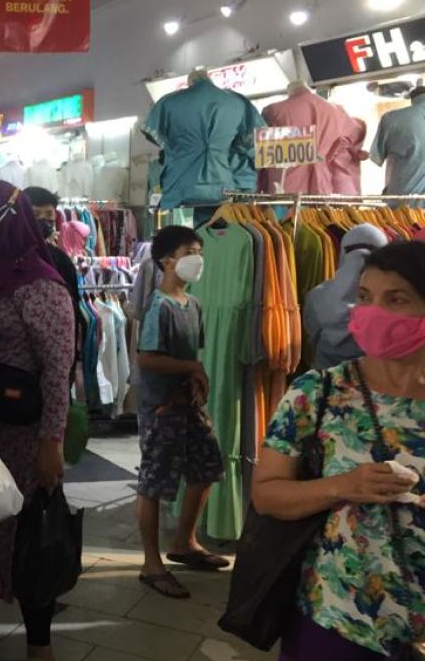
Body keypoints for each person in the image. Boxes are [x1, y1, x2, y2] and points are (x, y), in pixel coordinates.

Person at [254, 241, 425, 660]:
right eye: (365, 297)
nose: (371, 312)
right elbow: (266, 494)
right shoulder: (319, 391)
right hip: (335, 615)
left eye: (396, 299)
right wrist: (345, 485)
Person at [0, 179, 75, 661]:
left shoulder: (38, 282)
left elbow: (57, 367)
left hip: (24, 436)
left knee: (29, 537)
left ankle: (38, 644)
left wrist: (52, 441)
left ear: (0, 216)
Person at [134, 225, 227, 600]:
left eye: (200, 250)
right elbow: (147, 358)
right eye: (190, 250)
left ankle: (184, 541)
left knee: (207, 467)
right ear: (167, 260)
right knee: (154, 483)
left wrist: (194, 376)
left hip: (187, 404)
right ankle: (150, 563)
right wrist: (191, 370)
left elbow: (189, 356)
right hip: (161, 409)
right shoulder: (160, 306)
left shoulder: (193, 304)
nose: (197, 258)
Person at [303, 224, 389, 371]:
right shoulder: (392, 303)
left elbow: (312, 338)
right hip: (375, 386)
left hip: (323, 384)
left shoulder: (316, 296)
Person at [24, 186, 87, 368]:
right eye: (35, 213)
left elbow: (73, 305)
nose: (43, 220)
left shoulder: (60, 259)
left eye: (48, 214)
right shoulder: (8, 258)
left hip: (56, 353)